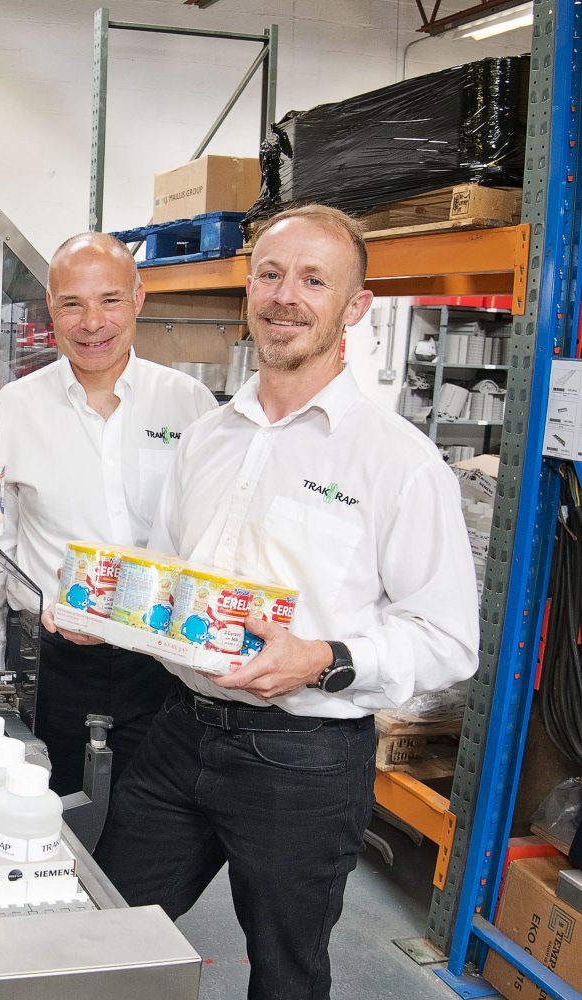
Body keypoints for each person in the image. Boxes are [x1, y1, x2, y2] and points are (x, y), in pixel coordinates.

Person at [93, 205, 480, 1000]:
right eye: (269, 274)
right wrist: (117, 614)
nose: (285, 296)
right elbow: (173, 570)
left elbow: (447, 639)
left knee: (286, 977)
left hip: (302, 761)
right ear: (248, 289)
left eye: (313, 279)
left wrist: (328, 659)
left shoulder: (396, 461)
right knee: (108, 944)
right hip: (182, 732)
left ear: (355, 307)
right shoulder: (209, 437)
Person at [0, 233, 218, 793]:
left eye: (110, 300)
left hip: (162, 661)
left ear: (139, 298)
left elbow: (207, 537)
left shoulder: (189, 405)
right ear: (51, 310)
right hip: (52, 657)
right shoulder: (13, 409)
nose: (92, 323)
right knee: (50, 809)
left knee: (145, 822)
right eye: (72, 304)